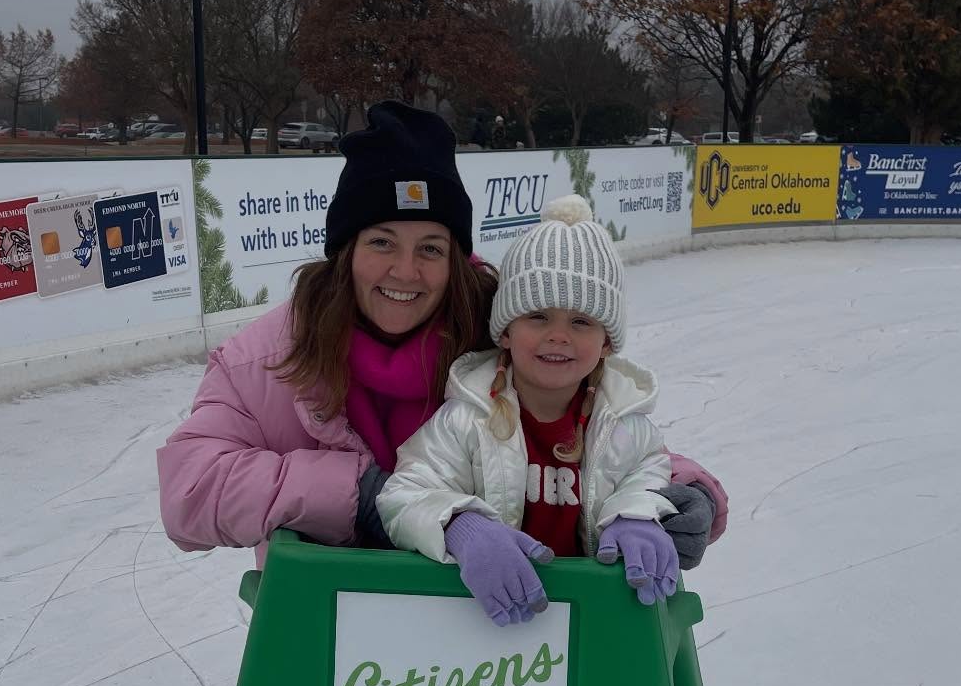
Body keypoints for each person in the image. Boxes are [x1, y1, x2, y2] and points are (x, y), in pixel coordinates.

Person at [157, 102, 726, 566]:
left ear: (454, 258)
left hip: (484, 644)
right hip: (327, 633)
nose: (405, 272)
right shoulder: (270, 357)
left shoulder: (497, 327)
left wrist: (679, 493)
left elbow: (585, 425)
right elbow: (189, 490)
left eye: (430, 248)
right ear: (345, 251)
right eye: (382, 242)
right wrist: (360, 496)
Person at [378, 197, 685, 625]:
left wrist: (636, 514)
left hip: (591, 619)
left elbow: (649, 473)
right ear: (505, 332)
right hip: (490, 625)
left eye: (581, 322)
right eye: (538, 317)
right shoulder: (467, 418)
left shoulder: (626, 426)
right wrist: (460, 526)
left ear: (607, 344)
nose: (558, 336)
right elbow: (403, 495)